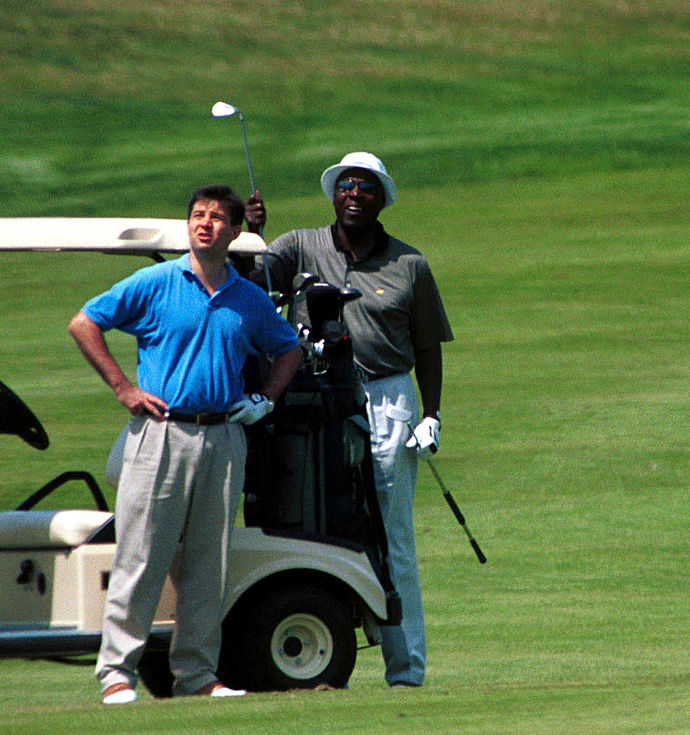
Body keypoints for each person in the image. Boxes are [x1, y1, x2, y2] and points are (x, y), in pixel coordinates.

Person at [69, 185, 303, 703]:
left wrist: (264, 399)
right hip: (161, 434)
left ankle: (196, 674)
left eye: (218, 218)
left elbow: (289, 351)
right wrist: (123, 388)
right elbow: (85, 322)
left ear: (235, 231)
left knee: (207, 562)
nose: (206, 224)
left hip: (223, 436)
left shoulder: (248, 297)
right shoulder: (156, 281)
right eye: (198, 216)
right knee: (142, 554)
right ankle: (116, 673)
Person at [248, 152, 453, 688]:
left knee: (391, 534)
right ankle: (313, 640)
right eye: (346, 186)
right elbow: (251, 278)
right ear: (334, 195)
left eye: (365, 187)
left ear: (381, 197)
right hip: (311, 399)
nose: (354, 194)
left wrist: (431, 414)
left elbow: (428, 346)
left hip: (387, 397)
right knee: (313, 521)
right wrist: (253, 233)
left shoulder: (410, 264)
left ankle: (405, 669)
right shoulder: (298, 245)